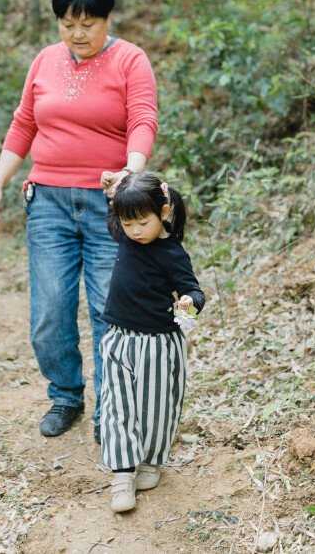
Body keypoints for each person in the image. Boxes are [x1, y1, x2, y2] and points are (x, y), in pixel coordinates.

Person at [0, 0, 158, 443]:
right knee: (50, 311)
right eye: (67, 24)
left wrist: (129, 173)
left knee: (108, 310)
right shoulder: (44, 61)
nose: (78, 34)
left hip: (108, 204)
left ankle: (112, 408)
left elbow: (142, 119)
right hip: (48, 204)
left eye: (88, 23)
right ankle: (66, 395)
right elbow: (24, 124)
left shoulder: (130, 59)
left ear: (108, 19)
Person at [98, 171, 206, 513]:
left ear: (162, 212)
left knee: (156, 409)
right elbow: (118, 212)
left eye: (142, 222)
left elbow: (194, 289)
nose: (134, 232)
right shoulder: (127, 234)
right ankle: (121, 475)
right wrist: (111, 192)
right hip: (117, 337)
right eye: (127, 224)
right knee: (116, 406)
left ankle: (150, 462)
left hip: (159, 344)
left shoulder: (172, 253)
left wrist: (190, 303)